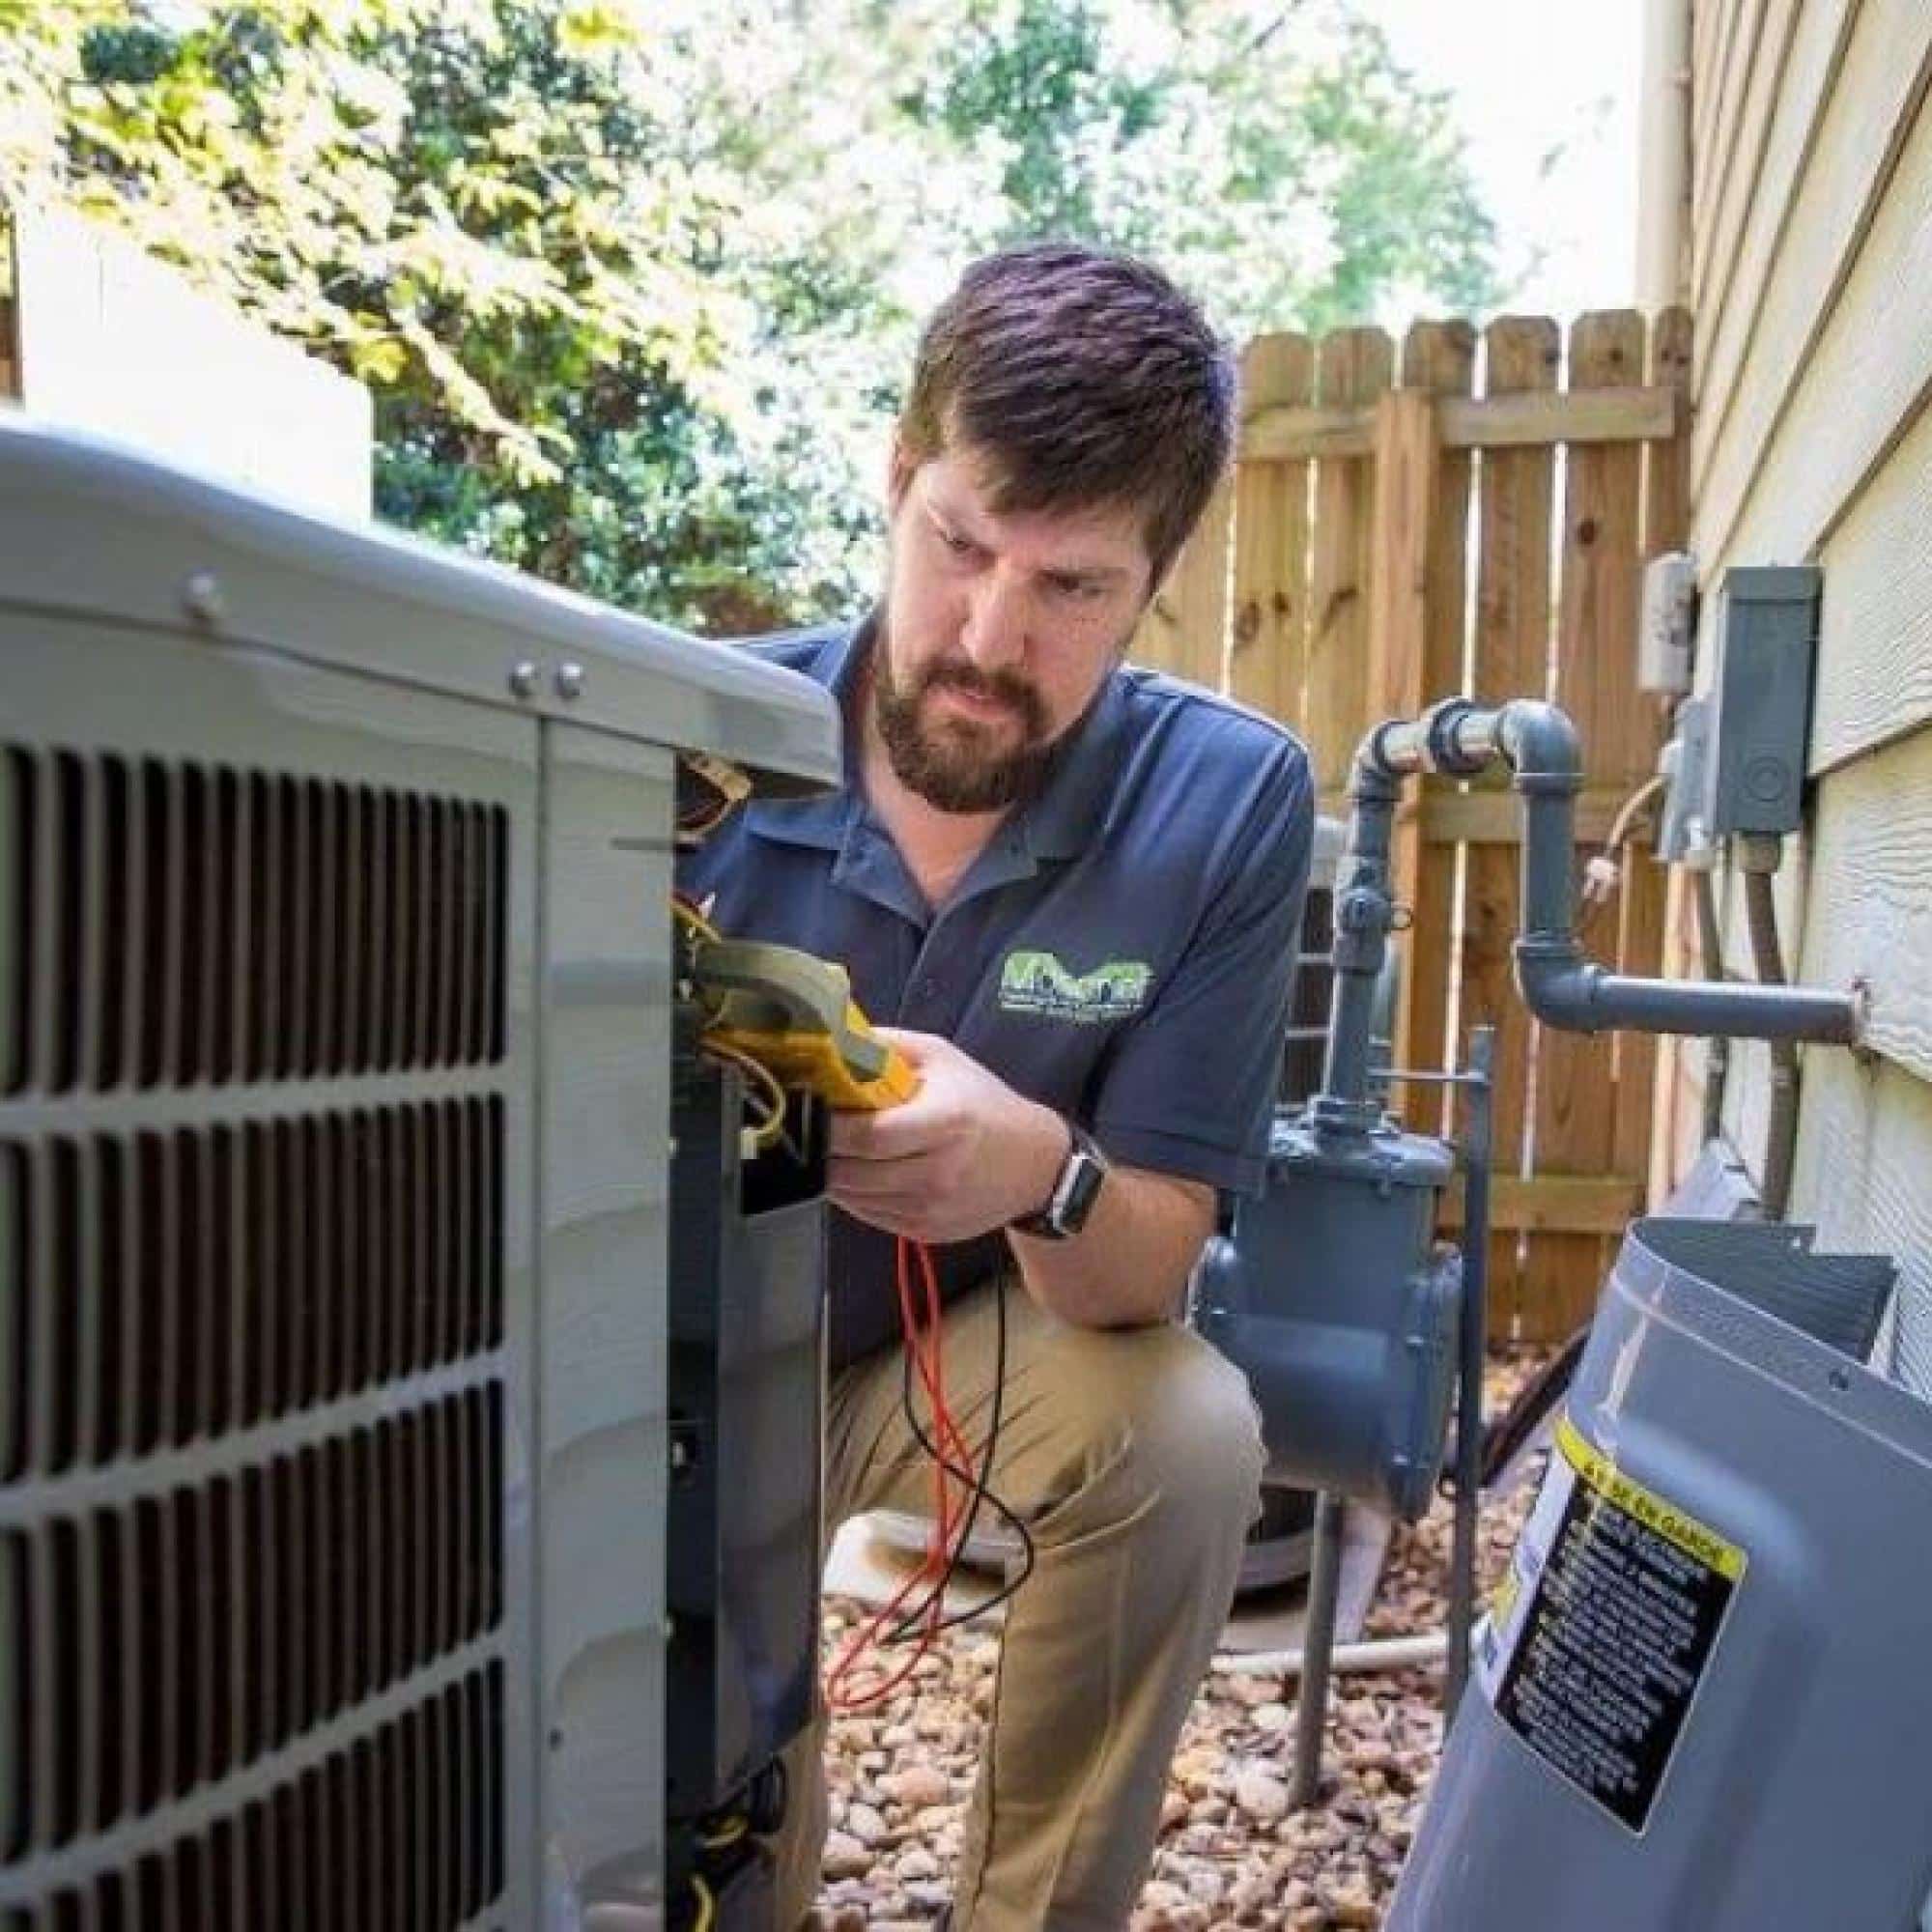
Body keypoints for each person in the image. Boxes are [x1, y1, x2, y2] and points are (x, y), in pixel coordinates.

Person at [678, 241, 1314, 1931]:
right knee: (714, 1815)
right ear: (899, 481)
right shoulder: (690, 747)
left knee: (1184, 1431)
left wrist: (1045, 1166)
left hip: (947, 1360)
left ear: (1154, 579)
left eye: (1071, 588)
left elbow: (1149, 1262)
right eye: (959, 544)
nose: (985, 633)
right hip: (664, 1358)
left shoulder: (1228, 803)